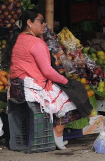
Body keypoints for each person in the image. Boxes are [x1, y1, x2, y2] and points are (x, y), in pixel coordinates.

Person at [8, 9, 83, 149]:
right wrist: (66, 82)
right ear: (29, 22)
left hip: (16, 86)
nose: (44, 25)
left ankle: (55, 134)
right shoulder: (36, 43)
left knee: (62, 92)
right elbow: (47, 71)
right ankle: (57, 133)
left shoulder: (20, 38)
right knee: (74, 97)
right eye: (41, 21)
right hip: (30, 87)